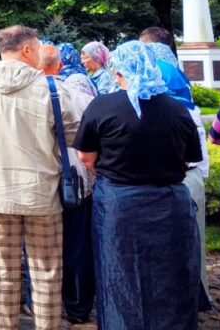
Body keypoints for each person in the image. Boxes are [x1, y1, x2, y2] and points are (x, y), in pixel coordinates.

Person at [0, 25, 78, 330]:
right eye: (36, 49)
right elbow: (74, 135)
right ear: (26, 50)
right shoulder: (53, 89)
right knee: (46, 273)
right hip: (42, 195)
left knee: (2, 275)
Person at [74, 40, 203, 330]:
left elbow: (85, 156)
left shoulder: (104, 106)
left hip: (121, 205)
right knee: (171, 277)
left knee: (121, 275)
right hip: (170, 203)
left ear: (120, 72)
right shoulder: (177, 109)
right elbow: (190, 157)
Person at [142, 39, 212, 309]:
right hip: (187, 180)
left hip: (172, 182)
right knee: (190, 244)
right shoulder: (188, 108)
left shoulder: (164, 109)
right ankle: (193, 299)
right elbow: (199, 156)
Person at [38, 44, 95, 324]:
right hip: (77, 179)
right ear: (60, 66)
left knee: (43, 249)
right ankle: (78, 306)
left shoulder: (31, 96)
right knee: (77, 244)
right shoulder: (79, 94)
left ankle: (45, 304)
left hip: (43, 180)